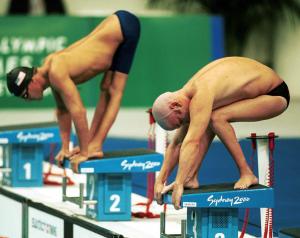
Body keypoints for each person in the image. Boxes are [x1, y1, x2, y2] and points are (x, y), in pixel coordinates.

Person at [6, 10, 140, 172]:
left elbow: (78, 111)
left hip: (125, 29)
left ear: (32, 81)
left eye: (25, 94)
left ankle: (95, 145)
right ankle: (92, 143)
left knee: (114, 90)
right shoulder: (50, 70)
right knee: (105, 88)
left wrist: (84, 152)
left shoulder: (55, 72)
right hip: (115, 27)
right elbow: (63, 111)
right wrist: (65, 147)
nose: (27, 99)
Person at [152, 56, 290, 210]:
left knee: (216, 118)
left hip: (275, 94)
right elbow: (177, 143)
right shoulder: (188, 94)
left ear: (175, 105)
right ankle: (191, 178)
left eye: (181, 121)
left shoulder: (201, 93)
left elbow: (191, 142)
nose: (184, 124)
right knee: (207, 118)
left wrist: (178, 183)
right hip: (260, 89)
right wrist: (160, 180)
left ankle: (247, 173)